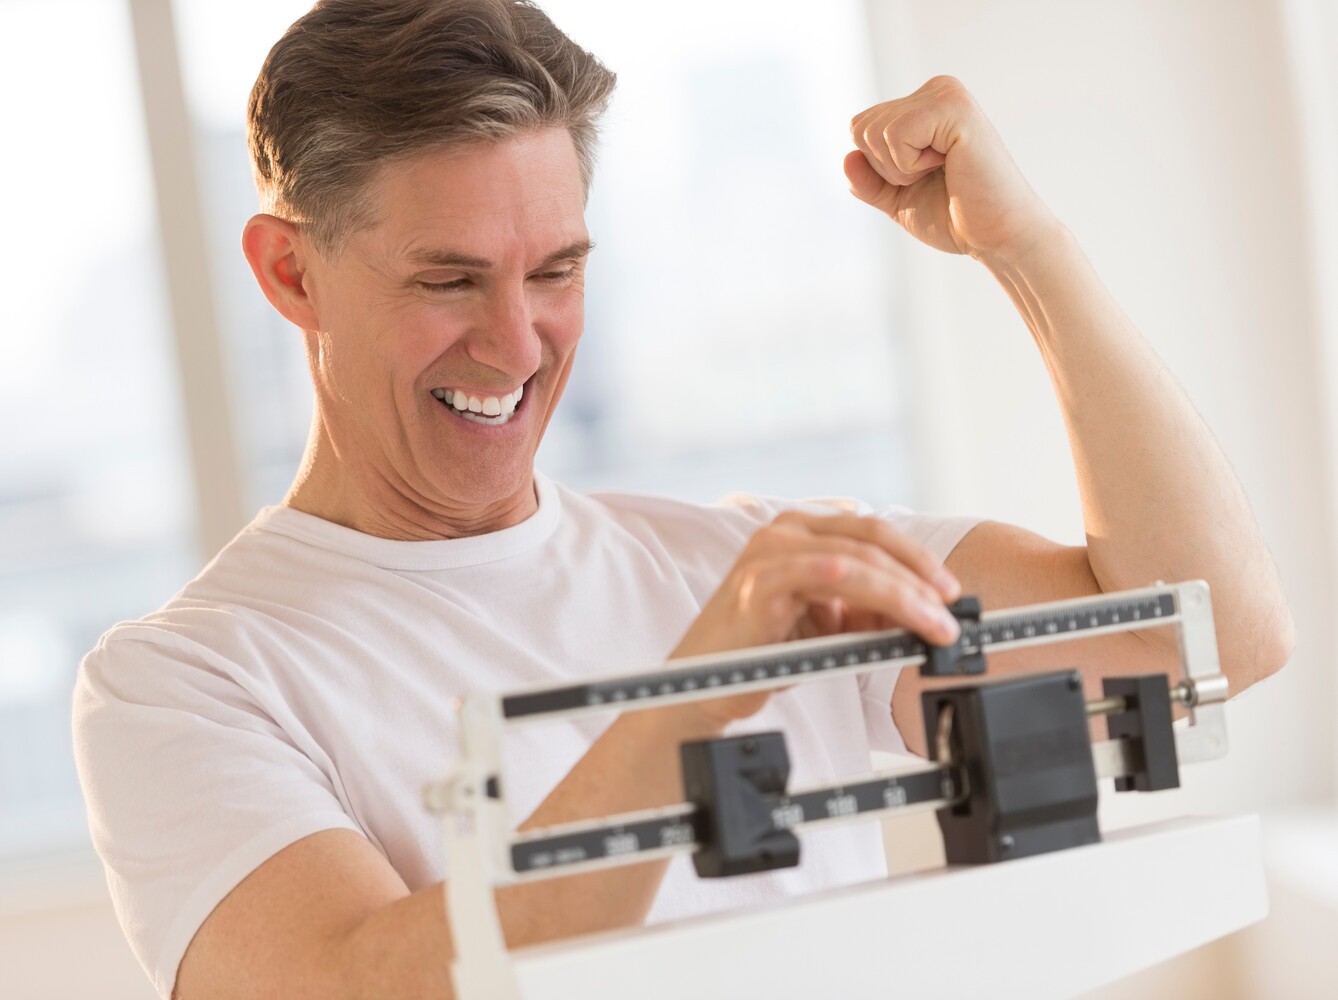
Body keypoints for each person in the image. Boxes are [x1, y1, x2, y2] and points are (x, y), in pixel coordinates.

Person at [73, 1, 1293, 997]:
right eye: (449, 279)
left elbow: (1205, 640)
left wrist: (1026, 247)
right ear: (292, 272)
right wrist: (707, 685)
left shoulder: (755, 564)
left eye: (555, 271)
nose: (514, 344)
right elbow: (347, 988)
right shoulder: (187, 680)